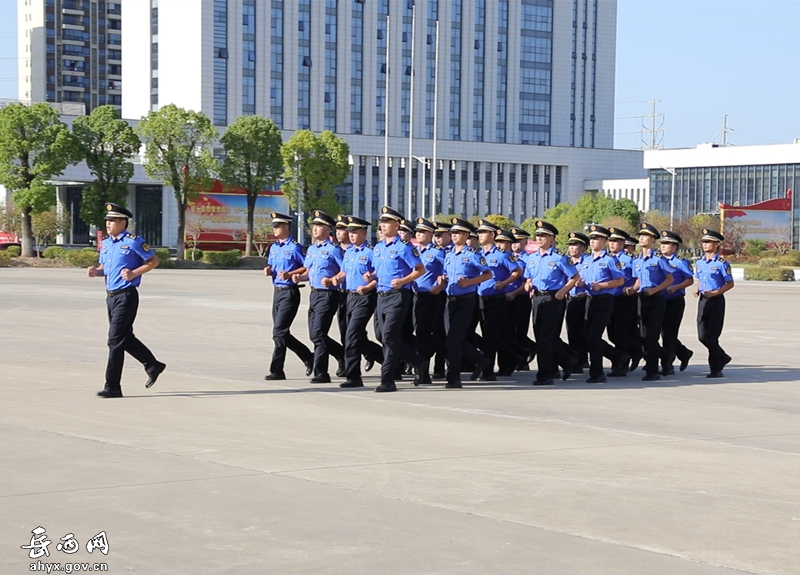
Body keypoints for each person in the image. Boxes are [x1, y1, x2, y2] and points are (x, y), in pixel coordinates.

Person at [87, 203, 165, 398]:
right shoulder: (106, 243)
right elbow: (105, 267)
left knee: (114, 340)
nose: (108, 223)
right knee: (124, 338)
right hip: (110, 296)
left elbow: (153, 261)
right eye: (107, 220)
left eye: (112, 220)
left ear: (123, 222)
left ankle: (112, 386)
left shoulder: (134, 242)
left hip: (126, 295)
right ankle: (153, 365)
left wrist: (134, 273)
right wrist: (96, 272)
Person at [365, 206, 425, 392]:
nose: (382, 225)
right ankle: (417, 362)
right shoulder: (378, 247)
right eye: (381, 222)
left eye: (387, 222)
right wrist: (372, 276)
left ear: (397, 225)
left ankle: (388, 380)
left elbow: (420, 270)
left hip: (398, 296)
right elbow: (379, 270)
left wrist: (403, 280)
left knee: (390, 336)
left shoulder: (404, 247)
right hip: (381, 296)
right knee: (382, 336)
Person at [522, 220, 580, 385]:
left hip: (554, 298)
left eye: (544, 236)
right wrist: (528, 285)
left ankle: (545, 375)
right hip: (537, 298)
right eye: (538, 235)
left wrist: (563, 291)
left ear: (552, 239)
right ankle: (567, 360)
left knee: (545, 338)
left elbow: (575, 277)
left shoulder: (559, 258)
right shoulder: (532, 258)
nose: (539, 238)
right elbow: (528, 277)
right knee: (540, 335)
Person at [291, 211, 345, 383]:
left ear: (329, 229)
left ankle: (321, 372)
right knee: (314, 335)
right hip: (314, 294)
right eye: (314, 225)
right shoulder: (312, 249)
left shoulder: (334, 250)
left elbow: (345, 270)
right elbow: (308, 271)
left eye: (319, 225)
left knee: (319, 334)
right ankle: (341, 354)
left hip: (328, 295)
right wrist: (300, 277)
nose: (315, 229)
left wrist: (333, 279)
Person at [440, 218, 492, 388]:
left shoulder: (472, 254)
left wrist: (469, 282)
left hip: (466, 300)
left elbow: (487, 274)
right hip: (450, 300)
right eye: (453, 233)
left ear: (466, 235)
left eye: (458, 233)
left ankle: (454, 378)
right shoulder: (449, 255)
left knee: (453, 340)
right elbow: (447, 274)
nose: (454, 236)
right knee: (452, 338)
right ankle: (480, 359)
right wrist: (443, 279)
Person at [264, 212, 313, 381]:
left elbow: (306, 267)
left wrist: (292, 273)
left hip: (290, 293)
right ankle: (308, 356)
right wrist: (269, 270)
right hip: (276, 292)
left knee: (279, 332)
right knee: (281, 333)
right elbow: (271, 264)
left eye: (278, 226)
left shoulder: (295, 247)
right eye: (274, 226)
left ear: (286, 227)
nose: (275, 229)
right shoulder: (274, 247)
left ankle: (277, 370)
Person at [336, 216, 383, 388]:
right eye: (350, 232)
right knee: (354, 336)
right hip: (350, 297)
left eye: (355, 232)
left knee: (352, 335)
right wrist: (335, 278)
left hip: (365, 297)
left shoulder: (371, 252)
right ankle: (390, 362)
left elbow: (381, 276)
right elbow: (344, 272)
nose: (351, 235)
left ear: (364, 232)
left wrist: (368, 286)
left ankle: (354, 376)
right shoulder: (349, 252)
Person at [577, 225, 628, 383]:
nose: (593, 241)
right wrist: (580, 284)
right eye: (591, 238)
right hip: (589, 300)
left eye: (596, 238)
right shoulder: (586, 260)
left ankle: (597, 373)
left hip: (604, 300)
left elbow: (619, 280)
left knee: (593, 336)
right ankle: (618, 356)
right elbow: (582, 278)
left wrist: (602, 286)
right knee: (587, 336)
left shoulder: (610, 260)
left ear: (605, 241)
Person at [476, 219, 523, 380]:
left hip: (497, 299)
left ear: (492, 234)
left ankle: (488, 371)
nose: (480, 235)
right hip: (480, 298)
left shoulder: (502, 255)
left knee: (490, 335)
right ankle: (514, 357)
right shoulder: (478, 254)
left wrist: (504, 283)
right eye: (479, 232)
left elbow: (517, 272)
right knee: (487, 335)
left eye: (483, 232)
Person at [629, 222, 673, 382]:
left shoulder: (659, 259)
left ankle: (652, 371)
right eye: (640, 235)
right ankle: (665, 356)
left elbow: (670, 279)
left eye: (645, 236)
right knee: (642, 335)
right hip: (642, 299)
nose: (641, 238)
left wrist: (655, 290)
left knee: (652, 337)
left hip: (655, 299)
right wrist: (633, 289)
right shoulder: (637, 260)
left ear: (653, 239)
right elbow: (639, 280)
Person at [694, 228, 734, 378]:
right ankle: (722, 356)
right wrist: (697, 289)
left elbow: (729, 283)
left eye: (708, 242)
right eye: (703, 241)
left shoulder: (722, 263)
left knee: (711, 337)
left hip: (716, 300)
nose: (705, 244)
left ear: (716, 244)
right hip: (703, 300)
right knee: (702, 336)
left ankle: (716, 367)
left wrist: (716, 293)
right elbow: (700, 280)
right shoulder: (699, 262)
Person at [412, 217, 447, 386]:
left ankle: (423, 372)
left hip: (430, 297)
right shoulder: (414, 251)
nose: (418, 234)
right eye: (417, 232)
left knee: (424, 336)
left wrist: (440, 286)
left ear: (431, 234)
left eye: (422, 232)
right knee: (417, 335)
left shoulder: (438, 252)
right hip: (414, 296)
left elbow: (448, 271)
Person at [659, 230, 695, 375]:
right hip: (659, 300)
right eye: (662, 243)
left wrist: (676, 287)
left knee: (669, 333)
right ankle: (684, 353)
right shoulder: (657, 260)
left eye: (667, 244)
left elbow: (689, 279)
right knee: (660, 333)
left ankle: (667, 365)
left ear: (674, 247)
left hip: (674, 301)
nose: (663, 246)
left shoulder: (680, 262)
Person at [607, 227, 642, 374]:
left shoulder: (629, 259)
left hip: (625, 299)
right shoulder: (607, 259)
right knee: (612, 334)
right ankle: (636, 351)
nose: (612, 244)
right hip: (610, 299)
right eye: (610, 241)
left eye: (615, 241)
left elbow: (640, 277)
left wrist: (633, 289)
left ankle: (620, 366)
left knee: (621, 333)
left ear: (622, 243)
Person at [564, 231, 590, 372]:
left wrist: (585, 290)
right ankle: (577, 358)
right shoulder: (567, 261)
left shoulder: (587, 262)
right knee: (571, 331)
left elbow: (592, 280)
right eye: (571, 245)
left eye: (576, 245)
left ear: (583, 248)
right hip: (570, 300)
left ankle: (582, 359)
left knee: (581, 331)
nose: (572, 248)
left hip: (584, 300)